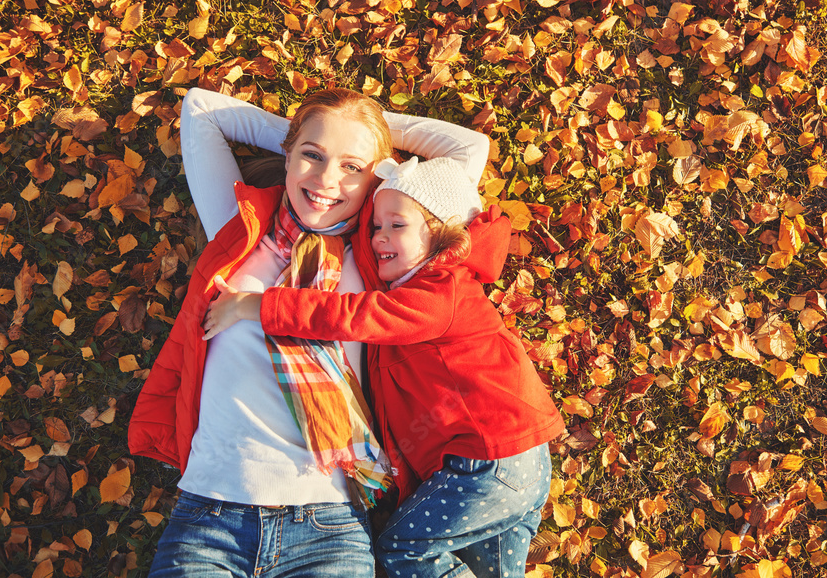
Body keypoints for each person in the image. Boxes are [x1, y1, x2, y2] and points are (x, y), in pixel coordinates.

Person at [128, 86, 490, 578]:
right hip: (208, 518)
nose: (324, 179)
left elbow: (470, 149)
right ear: (288, 154)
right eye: (311, 156)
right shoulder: (239, 230)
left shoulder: (381, 259)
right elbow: (201, 109)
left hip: (330, 526)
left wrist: (371, 140)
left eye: (351, 168)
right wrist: (310, 124)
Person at [201, 154, 566, 578]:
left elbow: (351, 316)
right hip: (510, 461)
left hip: (489, 460)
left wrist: (258, 305)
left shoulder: (440, 291)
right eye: (376, 227)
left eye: (397, 225)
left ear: (443, 233)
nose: (379, 238)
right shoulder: (419, 289)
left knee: (403, 551)